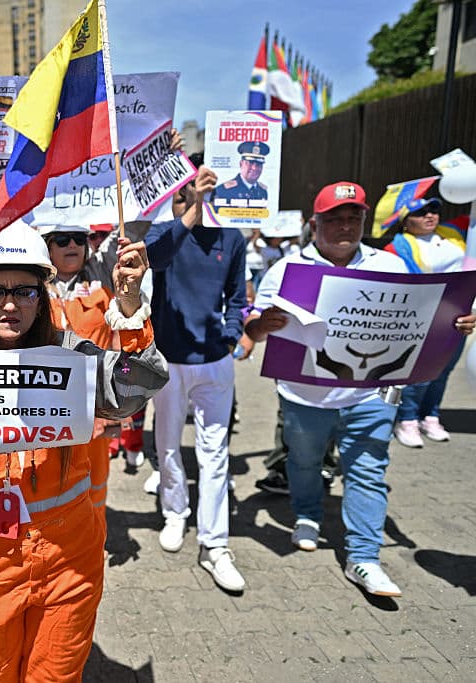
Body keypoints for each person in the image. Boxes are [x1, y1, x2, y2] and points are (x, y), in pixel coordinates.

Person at [0, 222, 168, 682]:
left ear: (41, 297)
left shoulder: (71, 355)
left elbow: (133, 388)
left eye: (25, 291)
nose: (9, 304)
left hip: (69, 558)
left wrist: (130, 308)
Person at [244, 181, 475, 597]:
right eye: (335, 219)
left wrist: (454, 325)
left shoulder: (389, 267)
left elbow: (417, 322)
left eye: (355, 217)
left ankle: (364, 559)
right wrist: (263, 326)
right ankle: (308, 513)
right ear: (315, 224)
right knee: (303, 462)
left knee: (368, 472)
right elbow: (254, 330)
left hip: (371, 396)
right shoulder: (285, 271)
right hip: (304, 396)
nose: (346, 225)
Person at [144, 161, 248, 593]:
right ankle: (175, 512)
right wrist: (192, 208)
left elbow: (238, 297)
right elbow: (156, 256)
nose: (190, 197)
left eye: (198, 191)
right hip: (169, 361)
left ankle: (214, 542)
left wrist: (231, 336)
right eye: (183, 192)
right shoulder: (162, 232)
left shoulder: (232, 238)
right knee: (167, 445)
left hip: (214, 363)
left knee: (215, 453)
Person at [40, 223, 146, 517]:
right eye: (62, 240)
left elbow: (117, 352)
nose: (72, 245)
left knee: (94, 485)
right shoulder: (31, 293)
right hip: (46, 414)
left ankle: (94, 547)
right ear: (47, 247)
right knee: (50, 488)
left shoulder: (102, 290)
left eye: (79, 239)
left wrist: (116, 411)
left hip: (94, 413)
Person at [383, 197, 472, 447]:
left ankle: (430, 415)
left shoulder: (453, 231)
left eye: (434, 210)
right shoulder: (396, 248)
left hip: (459, 313)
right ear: (405, 220)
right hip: (424, 315)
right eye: (421, 212)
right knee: (418, 373)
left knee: (444, 370)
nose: (430, 216)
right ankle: (407, 419)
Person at [211, 141, 269, 209]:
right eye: (250, 162)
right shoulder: (223, 191)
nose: (254, 168)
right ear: (241, 164)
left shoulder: (262, 191)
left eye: (259, 164)